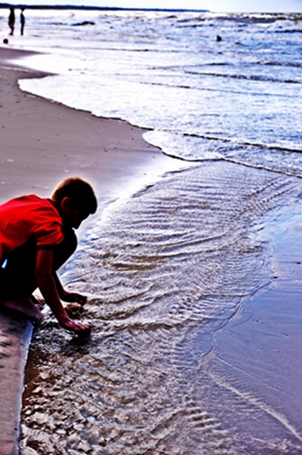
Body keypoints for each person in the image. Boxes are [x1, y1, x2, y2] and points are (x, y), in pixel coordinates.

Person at [0, 177, 97, 337]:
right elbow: (42, 272)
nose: (78, 225)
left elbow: (41, 260)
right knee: (68, 239)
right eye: (79, 216)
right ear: (66, 203)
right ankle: (15, 296)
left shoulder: (31, 202)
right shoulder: (50, 224)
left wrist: (61, 293)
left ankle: (15, 291)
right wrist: (64, 319)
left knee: (51, 242)